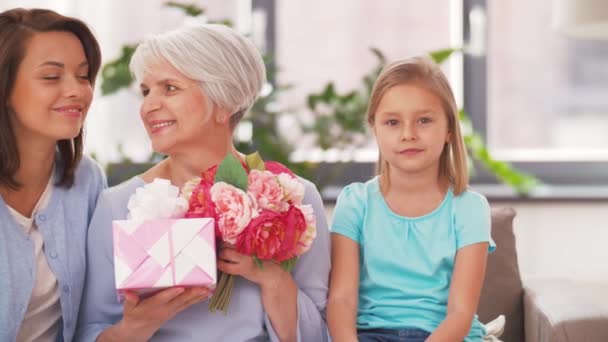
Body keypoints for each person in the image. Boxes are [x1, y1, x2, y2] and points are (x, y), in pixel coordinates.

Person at [76, 23, 330, 342]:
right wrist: (135, 327)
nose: (148, 106)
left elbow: (322, 332)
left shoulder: (294, 198)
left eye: (169, 88)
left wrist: (271, 279)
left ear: (223, 103)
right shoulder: (117, 205)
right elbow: (88, 332)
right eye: (145, 91)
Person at [327, 56, 495, 342]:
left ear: (449, 129)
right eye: (392, 122)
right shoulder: (355, 203)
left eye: (424, 120)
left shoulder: (470, 208)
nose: (408, 134)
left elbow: (460, 313)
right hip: (370, 335)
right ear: (375, 129)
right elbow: (341, 300)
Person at [0, 8, 106, 342]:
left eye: (84, 75)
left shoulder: (87, 181)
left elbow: (95, 320)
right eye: (51, 77)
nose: (77, 91)